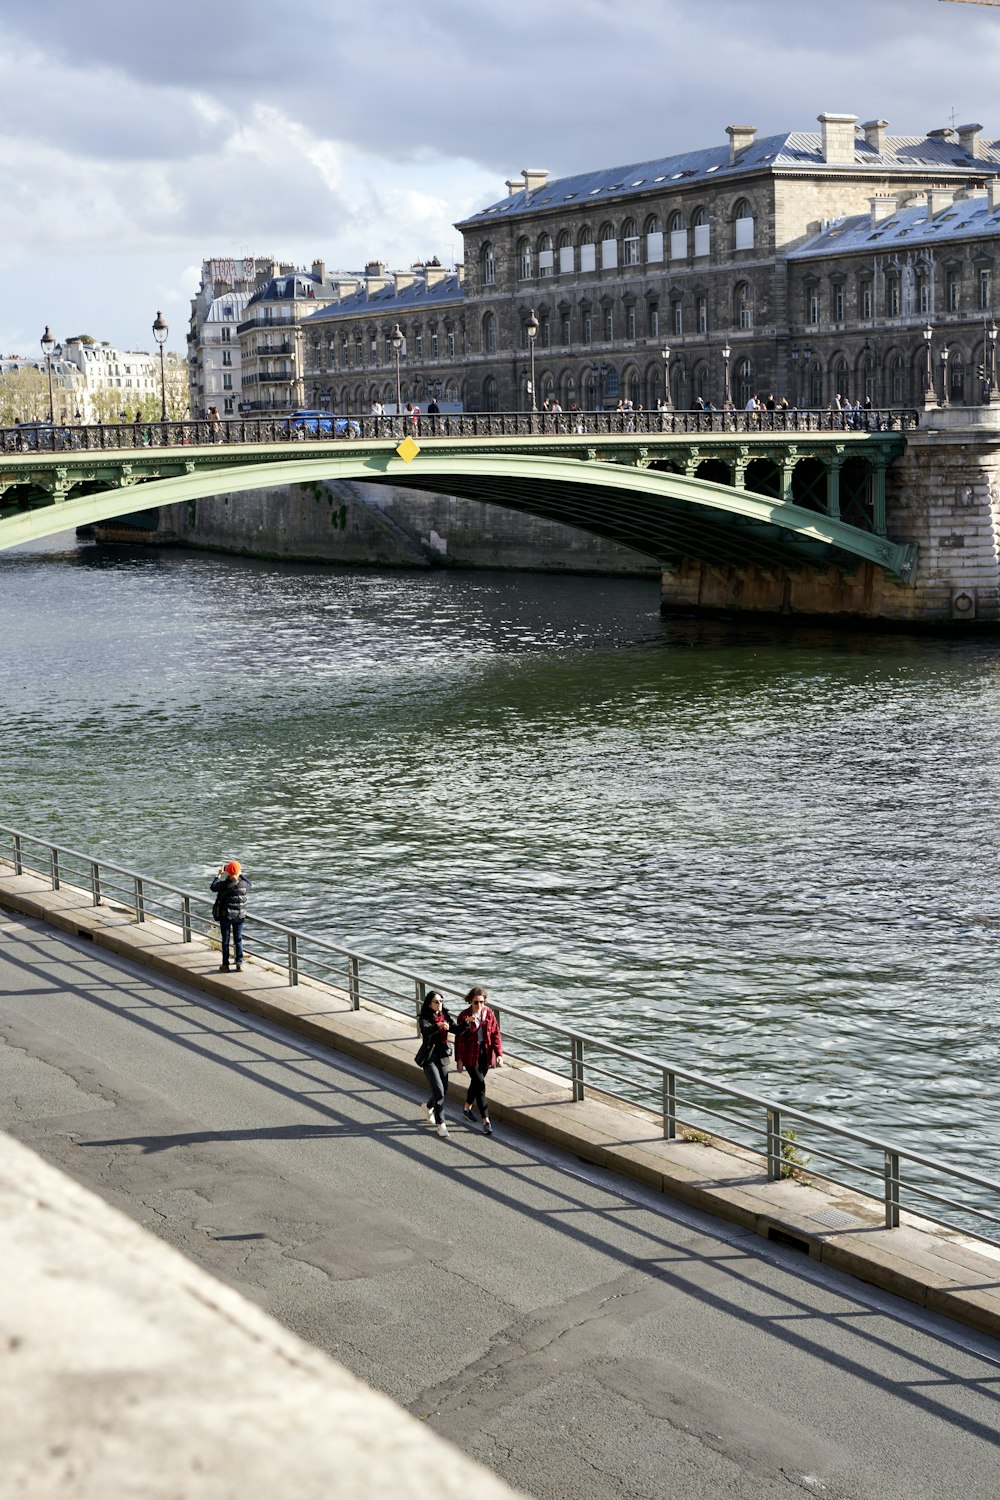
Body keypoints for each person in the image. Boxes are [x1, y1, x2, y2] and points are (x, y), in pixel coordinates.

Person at [454, 986, 503, 1135]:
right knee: (480, 1085)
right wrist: (459, 1060)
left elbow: (495, 1034)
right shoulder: (464, 1016)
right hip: (470, 1055)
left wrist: (499, 1054)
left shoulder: (489, 1014)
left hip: (485, 1055)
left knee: (475, 1083)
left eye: (482, 1002)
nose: (479, 1005)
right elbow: (460, 1040)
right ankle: (486, 1121)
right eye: (476, 1002)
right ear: (470, 1001)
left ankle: (466, 1108)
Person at [416, 990, 455, 1137]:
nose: (440, 1004)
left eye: (441, 1001)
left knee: (444, 1090)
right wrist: (438, 1026)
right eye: (436, 1002)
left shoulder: (444, 1015)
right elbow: (425, 1031)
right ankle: (441, 1124)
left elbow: (455, 1028)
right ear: (429, 1004)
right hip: (429, 1058)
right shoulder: (425, 1018)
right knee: (438, 1089)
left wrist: (467, 1024)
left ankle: (427, 1107)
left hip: (443, 1055)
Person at [210, 859, 252, 972]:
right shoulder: (243, 885)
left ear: (227, 872)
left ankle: (225, 965)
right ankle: (239, 963)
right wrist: (240, 873)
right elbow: (250, 883)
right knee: (238, 939)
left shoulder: (223, 885)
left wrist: (218, 875)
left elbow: (213, 887)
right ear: (239, 872)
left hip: (226, 916)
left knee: (225, 941)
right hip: (239, 916)